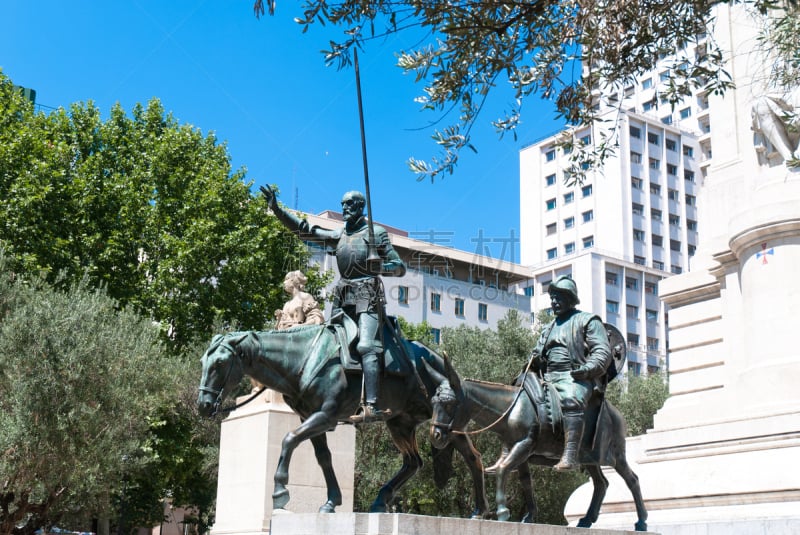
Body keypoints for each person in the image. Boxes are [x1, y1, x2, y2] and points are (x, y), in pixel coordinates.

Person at [260, 185, 406, 423]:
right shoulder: (340, 235)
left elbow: (399, 267)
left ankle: (372, 404)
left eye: (349, 204)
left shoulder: (376, 234)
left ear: (360, 207)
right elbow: (305, 230)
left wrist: (381, 267)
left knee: (367, 345)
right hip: (343, 298)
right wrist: (277, 209)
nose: (344, 208)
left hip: (367, 296)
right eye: (342, 205)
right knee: (325, 347)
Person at [486, 275, 612, 472]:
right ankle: (507, 451)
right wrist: (535, 359)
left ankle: (570, 454)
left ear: (570, 298)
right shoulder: (548, 328)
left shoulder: (587, 320)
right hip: (547, 378)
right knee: (517, 399)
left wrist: (587, 369)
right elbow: (538, 352)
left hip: (574, 376)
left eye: (558, 297)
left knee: (572, 399)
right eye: (552, 297)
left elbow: (602, 351)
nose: (553, 301)